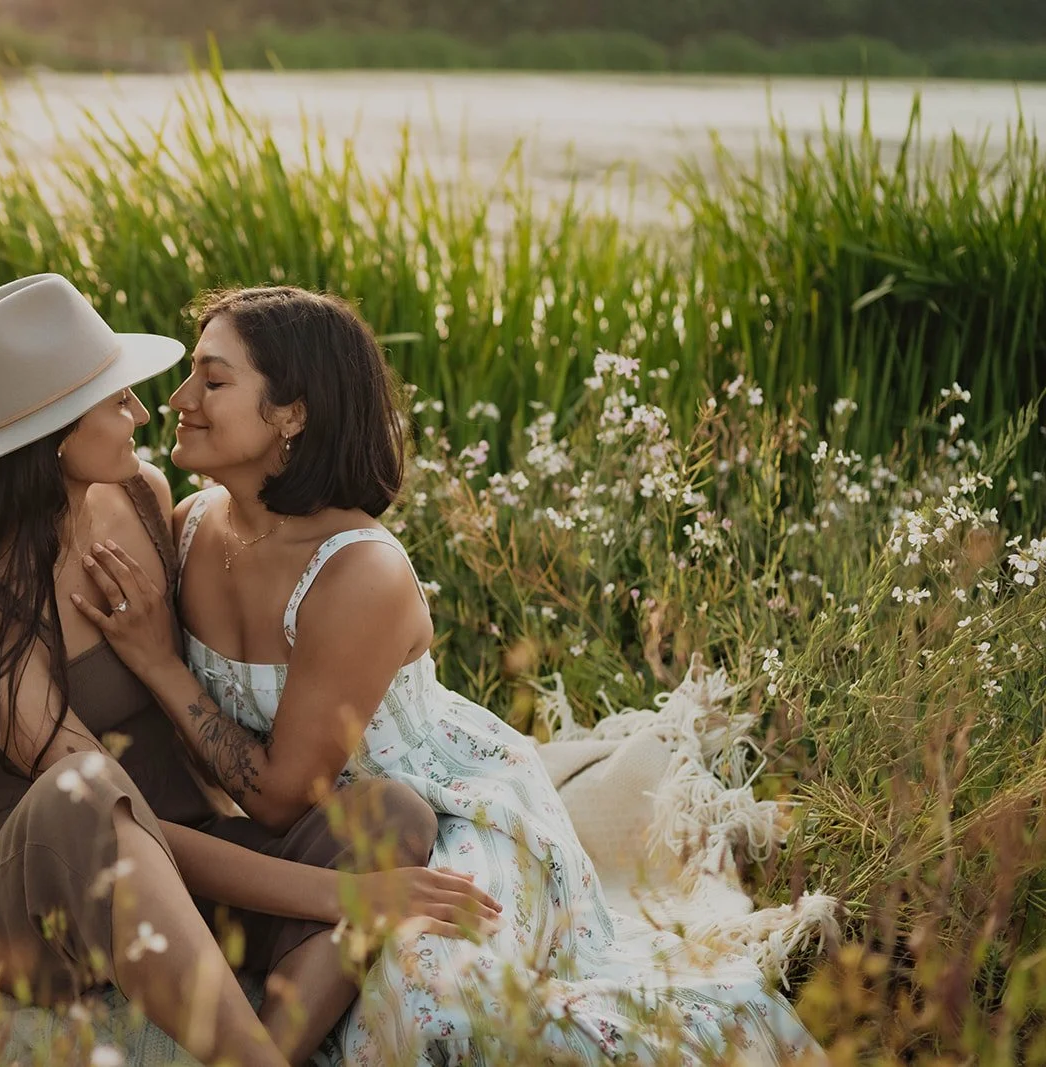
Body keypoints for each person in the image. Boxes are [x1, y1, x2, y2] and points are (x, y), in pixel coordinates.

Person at [74, 285, 824, 1064]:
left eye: (213, 380)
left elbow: (275, 792)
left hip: (446, 814)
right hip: (319, 840)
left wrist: (160, 663)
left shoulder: (358, 572)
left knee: (435, 1001)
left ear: (292, 413)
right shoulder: (188, 527)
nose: (179, 400)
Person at [0, 274, 498, 1067]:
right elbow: (124, 825)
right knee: (89, 791)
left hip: (194, 853)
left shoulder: (148, 500)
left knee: (390, 813)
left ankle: (271, 1051)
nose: (145, 413)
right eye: (116, 399)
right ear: (50, 434)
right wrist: (342, 898)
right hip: (46, 884)